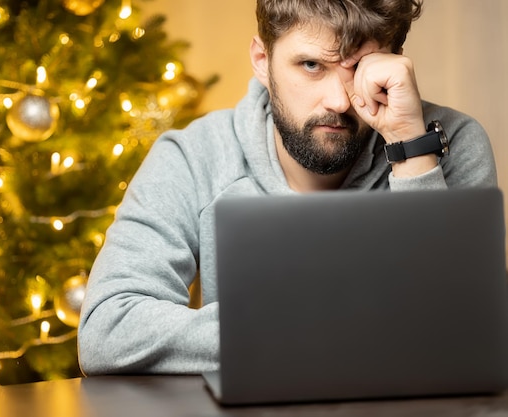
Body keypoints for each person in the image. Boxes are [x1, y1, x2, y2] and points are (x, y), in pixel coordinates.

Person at [77, 0, 497, 374]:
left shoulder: (451, 143)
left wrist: (411, 144)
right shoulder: (193, 157)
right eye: (312, 65)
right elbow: (107, 329)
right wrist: (323, 328)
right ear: (262, 59)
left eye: (359, 69)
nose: (337, 100)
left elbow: (466, 331)